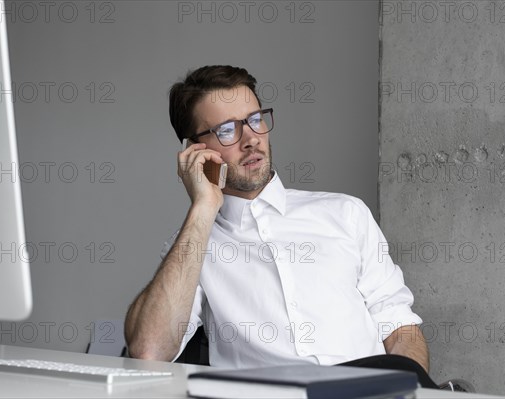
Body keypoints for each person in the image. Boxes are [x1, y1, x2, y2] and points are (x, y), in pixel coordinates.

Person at [124, 65, 429, 375]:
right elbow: (149, 351)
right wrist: (203, 207)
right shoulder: (194, 246)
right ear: (195, 152)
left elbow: (400, 326)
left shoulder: (346, 213)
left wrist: (410, 392)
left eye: (255, 120)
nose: (251, 139)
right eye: (227, 129)